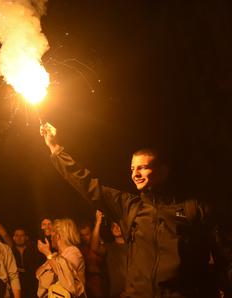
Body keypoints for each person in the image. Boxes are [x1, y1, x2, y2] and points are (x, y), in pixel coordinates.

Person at [40, 122, 217, 297]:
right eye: (132, 169)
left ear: (163, 171)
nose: (135, 174)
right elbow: (88, 185)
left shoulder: (193, 209)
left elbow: (221, 257)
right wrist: (55, 148)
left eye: (143, 167)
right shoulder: (129, 206)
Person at [36, 218, 85, 297]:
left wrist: (47, 253)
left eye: (52, 235)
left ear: (58, 236)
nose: (51, 238)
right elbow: (38, 274)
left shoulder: (74, 252)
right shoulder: (55, 255)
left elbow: (65, 274)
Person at [91, 211, 126, 298]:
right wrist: (98, 223)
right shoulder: (109, 247)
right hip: (117, 294)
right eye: (113, 226)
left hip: (135, 292)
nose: (116, 228)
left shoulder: (133, 246)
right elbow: (94, 247)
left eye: (118, 225)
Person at [10, 228, 42, 298]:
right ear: (14, 238)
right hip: (16, 284)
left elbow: (38, 265)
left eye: (22, 235)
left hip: (32, 284)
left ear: (26, 237)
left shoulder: (33, 250)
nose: (19, 238)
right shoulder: (10, 251)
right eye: (17, 235)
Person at [78, 216, 105, 298]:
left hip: (98, 285)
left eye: (87, 234)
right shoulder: (79, 248)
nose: (84, 238)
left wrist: (98, 223)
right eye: (82, 235)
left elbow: (94, 247)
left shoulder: (101, 246)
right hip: (85, 286)